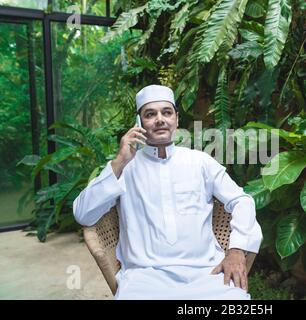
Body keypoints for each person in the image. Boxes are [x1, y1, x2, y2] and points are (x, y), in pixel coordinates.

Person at [73, 85, 263, 300]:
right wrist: (118, 162)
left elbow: (242, 200)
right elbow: (83, 214)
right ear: (139, 123)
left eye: (166, 112)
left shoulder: (200, 161)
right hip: (145, 278)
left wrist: (236, 250)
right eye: (150, 114)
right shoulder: (125, 168)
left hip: (206, 273)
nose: (160, 119)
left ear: (176, 120)